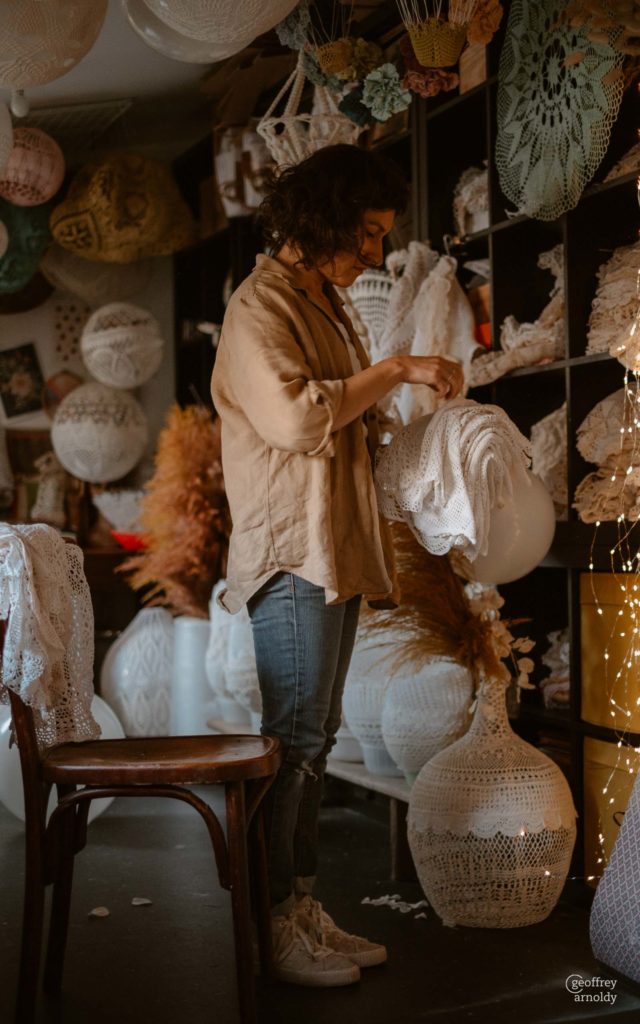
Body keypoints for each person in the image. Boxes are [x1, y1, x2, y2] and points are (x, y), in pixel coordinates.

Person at [211, 143, 464, 988]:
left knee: (311, 744)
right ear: (323, 219)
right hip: (294, 553)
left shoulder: (324, 299)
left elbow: (350, 418)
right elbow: (295, 419)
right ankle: (270, 924)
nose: (375, 255)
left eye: (381, 236)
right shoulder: (259, 305)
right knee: (292, 742)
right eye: (367, 233)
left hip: (335, 548)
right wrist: (395, 368)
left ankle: (300, 905)